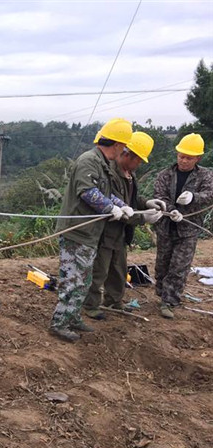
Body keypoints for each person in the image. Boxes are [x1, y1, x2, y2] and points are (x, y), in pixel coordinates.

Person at [49, 118, 133, 342]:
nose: (123, 151)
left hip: (90, 233)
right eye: (123, 146)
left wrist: (122, 205)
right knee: (73, 279)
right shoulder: (89, 161)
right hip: (77, 231)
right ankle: (59, 323)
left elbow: (104, 191)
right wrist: (110, 207)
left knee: (84, 280)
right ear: (116, 145)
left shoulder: (103, 165)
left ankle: (73, 316)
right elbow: (87, 192)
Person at [83, 132, 166, 320]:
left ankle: (114, 301)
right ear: (128, 154)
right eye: (138, 160)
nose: (139, 165)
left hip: (120, 234)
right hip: (106, 230)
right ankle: (91, 305)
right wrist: (143, 218)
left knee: (119, 270)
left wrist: (147, 203)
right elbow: (117, 205)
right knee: (99, 270)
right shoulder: (109, 173)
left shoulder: (129, 174)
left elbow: (131, 199)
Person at [153, 133, 213, 319]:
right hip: (166, 227)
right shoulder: (165, 174)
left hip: (188, 229)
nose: (184, 160)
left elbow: (210, 194)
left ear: (197, 158)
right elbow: (159, 195)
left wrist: (194, 197)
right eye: (181, 156)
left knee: (179, 266)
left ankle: (169, 301)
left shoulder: (205, 176)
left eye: (188, 158)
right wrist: (171, 210)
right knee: (162, 264)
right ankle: (162, 293)